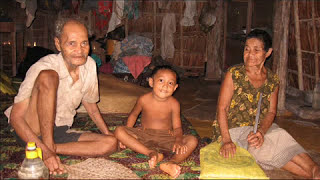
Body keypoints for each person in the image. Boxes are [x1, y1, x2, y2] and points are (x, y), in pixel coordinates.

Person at [4, 17, 117, 175]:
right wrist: (47, 152)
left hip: (59, 130)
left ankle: (47, 148)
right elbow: (16, 119)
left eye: (84, 43)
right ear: (58, 44)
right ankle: (46, 148)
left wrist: (107, 133)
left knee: (111, 143)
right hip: (31, 128)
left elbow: (91, 106)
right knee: (49, 76)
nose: (79, 49)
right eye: (72, 43)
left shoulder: (89, 65)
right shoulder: (43, 67)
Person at [212, 29, 320, 179]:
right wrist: (227, 140)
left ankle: (314, 170)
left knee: (278, 135)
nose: (250, 54)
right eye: (247, 49)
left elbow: (271, 112)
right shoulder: (234, 74)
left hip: (258, 126)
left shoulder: (272, 79)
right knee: (259, 148)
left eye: (256, 50)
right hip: (233, 129)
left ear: (268, 53)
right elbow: (222, 108)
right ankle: (314, 172)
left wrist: (261, 132)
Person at [114, 65, 198, 178]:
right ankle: (151, 153)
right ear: (151, 82)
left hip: (166, 137)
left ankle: (171, 162)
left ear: (175, 88)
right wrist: (129, 131)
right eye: (161, 80)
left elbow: (177, 127)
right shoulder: (143, 99)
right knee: (119, 131)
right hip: (144, 134)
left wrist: (178, 140)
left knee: (192, 140)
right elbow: (133, 115)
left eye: (170, 83)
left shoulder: (174, 104)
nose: (165, 86)